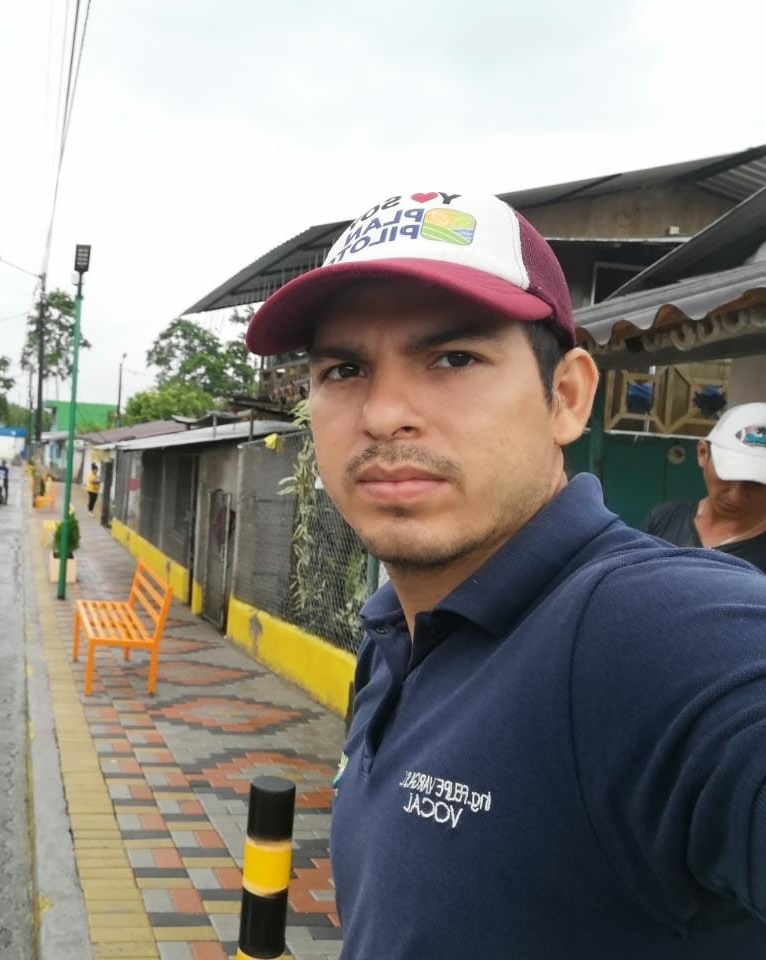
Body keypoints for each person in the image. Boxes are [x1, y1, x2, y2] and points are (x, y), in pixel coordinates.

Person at [243, 189, 766, 958]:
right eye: (344, 369)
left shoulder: (656, 633)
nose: (383, 414)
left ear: (566, 397)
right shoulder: (394, 636)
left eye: (454, 358)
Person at [644, 402, 766, 573]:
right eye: (727, 476)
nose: (736, 497)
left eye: (757, 484)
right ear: (703, 453)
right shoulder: (664, 520)